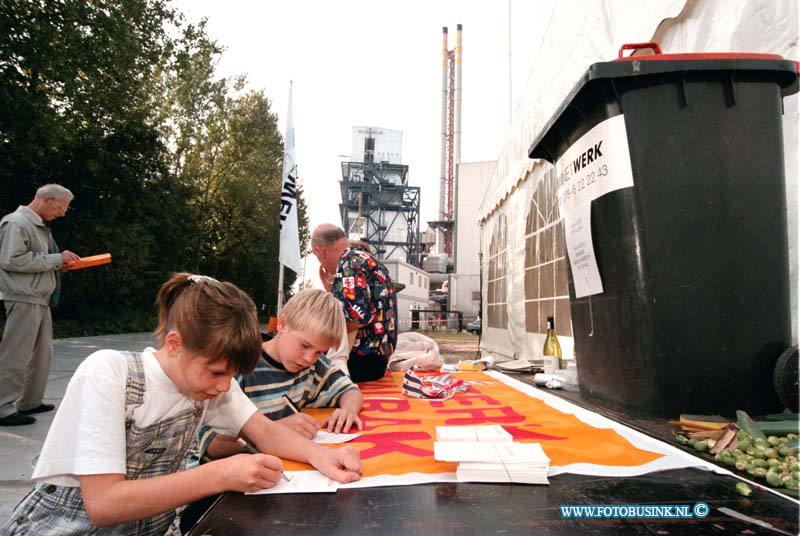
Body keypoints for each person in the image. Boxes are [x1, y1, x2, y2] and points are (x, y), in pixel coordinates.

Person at [1, 273, 361, 535]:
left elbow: (265, 431)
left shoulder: (209, 384)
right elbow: (104, 504)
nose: (225, 386)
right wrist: (220, 474)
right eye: (217, 372)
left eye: (231, 375)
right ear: (174, 344)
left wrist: (323, 457)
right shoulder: (109, 373)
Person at [196, 288, 364, 465]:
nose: (309, 358)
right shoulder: (240, 367)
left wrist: (348, 410)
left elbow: (350, 390)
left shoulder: (314, 367)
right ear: (282, 324)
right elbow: (210, 444)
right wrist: (272, 432)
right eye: (305, 346)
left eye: (319, 352)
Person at [0, 184, 81, 426]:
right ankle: (2, 407)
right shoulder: (16, 223)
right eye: (62, 207)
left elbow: (38, 261)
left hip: (39, 298)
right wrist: (57, 259)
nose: (63, 213)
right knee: (16, 353)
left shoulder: (37, 227)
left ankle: (29, 401)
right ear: (46, 200)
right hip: (23, 297)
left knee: (42, 354)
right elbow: (11, 260)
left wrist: (59, 263)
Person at [311, 224, 397, 382]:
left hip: (361, 362)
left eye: (318, 258)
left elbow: (355, 319)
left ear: (320, 250)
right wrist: (330, 289)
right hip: (376, 360)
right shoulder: (361, 258)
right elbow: (358, 306)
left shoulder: (348, 263)